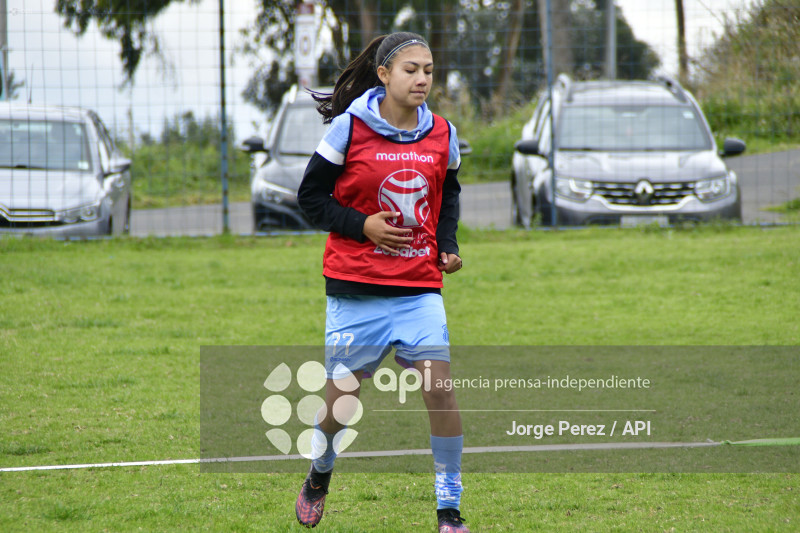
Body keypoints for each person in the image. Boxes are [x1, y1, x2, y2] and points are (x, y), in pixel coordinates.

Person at [295, 31, 469, 533]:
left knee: (440, 389)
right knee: (341, 405)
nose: (421, 79)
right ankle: (319, 473)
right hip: (356, 288)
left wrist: (447, 244)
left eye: (429, 71)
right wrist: (362, 224)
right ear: (384, 74)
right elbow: (311, 199)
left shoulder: (441, 133)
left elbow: (448, 195)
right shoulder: (350, 128)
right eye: (411, 69)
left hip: (417, 289)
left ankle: (449, 510)